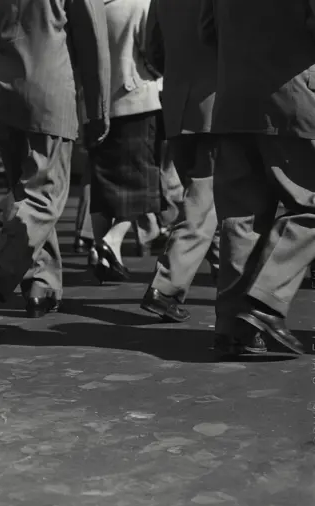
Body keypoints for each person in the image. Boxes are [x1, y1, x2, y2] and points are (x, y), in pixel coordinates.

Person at [0, 0, 111, 330]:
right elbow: (93, 39)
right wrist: (99, 107)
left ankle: (41, 283)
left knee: (25, 189)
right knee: (43, 196)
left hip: (5, 89)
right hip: (51, 89)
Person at [139, 0, 267, 358]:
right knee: (206, 198)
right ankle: (166, 285)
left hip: (177, 102)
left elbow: (153, 49)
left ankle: (211, 271)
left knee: (203, 197)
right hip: (216, 101)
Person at [199, 0, 315, 356]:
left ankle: (233, 328)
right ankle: (266, 302)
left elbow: (207, 30)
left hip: (234, 98)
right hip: (292, 97)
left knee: (240, 217)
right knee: (309, 203)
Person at [86, 0, 163, 285]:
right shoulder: (141, 3)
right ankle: (111, 241)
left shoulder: (90, 7)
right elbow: (153, 51)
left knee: (103, 184)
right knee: (142, 184)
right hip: (137, 99)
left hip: (97, 105)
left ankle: (106, 254)